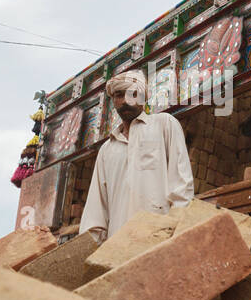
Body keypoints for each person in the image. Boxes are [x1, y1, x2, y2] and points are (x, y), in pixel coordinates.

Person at [79, 70, 194, 240]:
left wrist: (177, 236)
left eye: (132, 93)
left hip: (158, 239)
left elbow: (182, 186)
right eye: (119, 95)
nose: (125, 101)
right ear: (113, 101)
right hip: (117, 246)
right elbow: (96, 209)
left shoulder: (164, 124)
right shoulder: (107, 149)